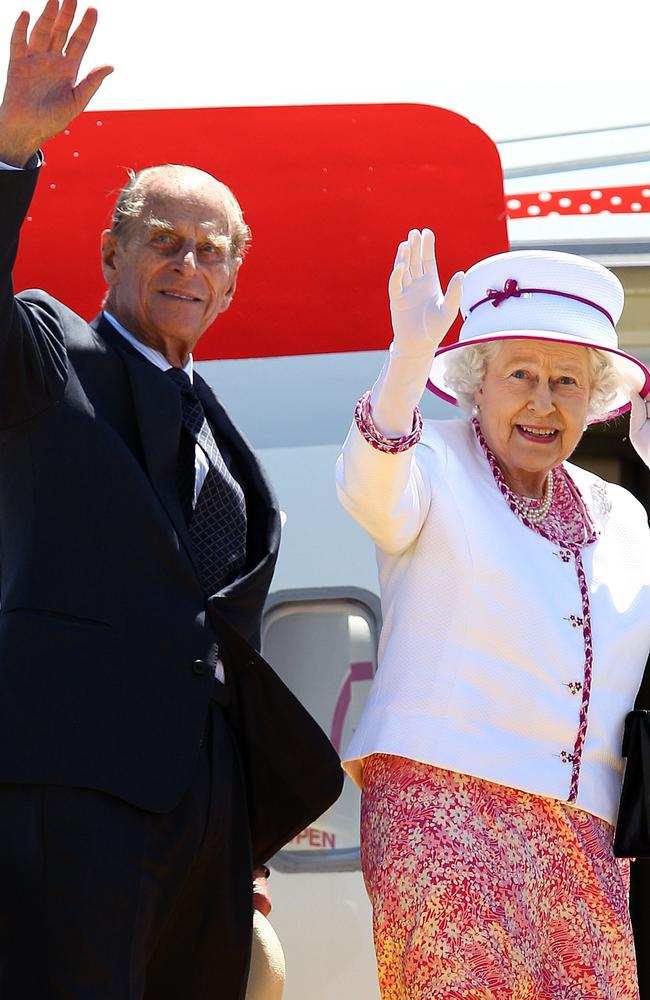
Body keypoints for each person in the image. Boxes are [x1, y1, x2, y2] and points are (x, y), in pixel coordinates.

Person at [0, 3, 341, 998]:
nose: (185, 264)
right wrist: (11, 153)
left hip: (205, 816)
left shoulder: (223, 436)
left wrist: (242, 835)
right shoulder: (45, 355)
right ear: (111, 256)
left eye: (209, 249)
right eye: (162, 240)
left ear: (230, 282)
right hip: (65, 798)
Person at [336, 227, 650, 998]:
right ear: (478, 381)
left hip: (588, 836)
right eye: (522, 375)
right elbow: (368, 490)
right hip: (444, 813)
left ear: (597, 398)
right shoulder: (432, 461)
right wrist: (407, 360)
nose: (544, 401)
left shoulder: (623, 513)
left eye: (568, 381)